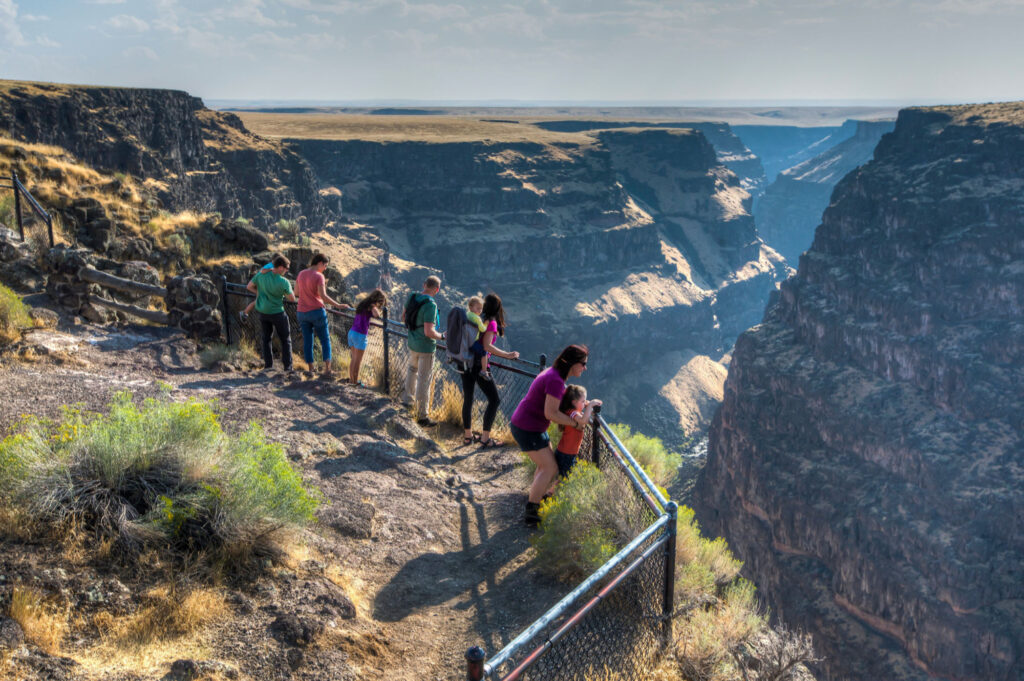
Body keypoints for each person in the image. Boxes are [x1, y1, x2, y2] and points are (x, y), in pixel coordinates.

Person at [510, 344, 600, 526]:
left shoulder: (554, 375)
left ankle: (536, 500)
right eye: (583, 363)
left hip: (531, 426)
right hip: (528, 428)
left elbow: (559, 403)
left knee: (547, 467)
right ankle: (532, 512)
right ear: (573, 363)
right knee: (549, 468)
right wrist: (576, 423)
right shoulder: (555, 380)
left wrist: (581, 406)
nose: (585, 367)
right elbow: (551, 413)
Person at [461, 293, 519, 448]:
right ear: (498, 308)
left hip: (465, 360)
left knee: (468, 397)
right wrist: (507, 355)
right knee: (494, 400)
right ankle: (485, 438)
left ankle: (468, 437)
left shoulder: (477, 318)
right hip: (479, 365)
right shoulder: (491, 323)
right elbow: (487, 346)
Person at [296, 253, 351, 377]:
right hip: (316, 312)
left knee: (308, 341)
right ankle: (327, 369)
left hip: (301, 312)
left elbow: (296, 292)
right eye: (325, 265)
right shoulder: (319, 276)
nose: (325, 268)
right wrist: (339, 305)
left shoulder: (301, 274)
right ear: (320, 263)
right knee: (325, 340)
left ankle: (310, 369)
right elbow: (323, 296)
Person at [404, 275, 445, 427]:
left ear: (424, 284)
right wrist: (442, 337)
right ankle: (422, 416)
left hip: (412, 342)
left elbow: (404, 317)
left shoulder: (412, 297)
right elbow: (429, 332)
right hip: (426, 347)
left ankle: (407, 402)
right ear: (437, 289)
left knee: (411, 370)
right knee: (424, 379)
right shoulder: (431, 305)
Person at [247, 255, 297, 373]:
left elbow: (249, 286)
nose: (287, 271)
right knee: (285, 340)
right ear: (280, 267)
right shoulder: (283, 281)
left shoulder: (260, 275)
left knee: (266, 339)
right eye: (286, 268)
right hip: (277, 312)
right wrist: (283, 293)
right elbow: (292, 298)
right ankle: (288, 367)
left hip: (263, 312)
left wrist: (259, 293)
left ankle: (268, 366)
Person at [553, 385, 598, 480]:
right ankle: (549, 493)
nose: (584, 403)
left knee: (563, 477)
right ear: (574, 402)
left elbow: (585, 416)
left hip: (568, 452)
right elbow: (583, 420)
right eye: (583, 401)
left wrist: (588, 407)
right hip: (566, 453)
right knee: (565, 478)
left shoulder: (576, 412)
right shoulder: (572, 413)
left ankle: (549, 492)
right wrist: (590, 406)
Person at [349, 288, 386, 385]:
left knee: (353, 359)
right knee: (358, 361)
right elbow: (376, 315)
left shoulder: (363, 304)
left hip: (352, 332)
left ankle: (351, 380)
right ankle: (355, 382)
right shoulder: (372, 306)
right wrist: (377, 308)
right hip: (360, 334)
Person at [239, 257, 279, 323]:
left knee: (258, 300)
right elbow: (262, 271)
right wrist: (271, 269)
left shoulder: (271, 265)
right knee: (258, 300)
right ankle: (244, 312)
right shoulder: (271, 266)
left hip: (261, 284)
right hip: (260, 283)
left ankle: (245, 312)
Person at [465, 296, 491, 379]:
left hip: (465, 340)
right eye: (478, 308)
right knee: (484, 352)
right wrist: (486, 324)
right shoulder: (477, 318)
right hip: (473, 341)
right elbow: (482, 329)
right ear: (471, 307)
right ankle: (484, 371)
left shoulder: (467, 314)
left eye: (481, 309)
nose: (480, 311)